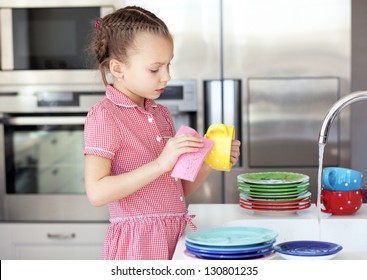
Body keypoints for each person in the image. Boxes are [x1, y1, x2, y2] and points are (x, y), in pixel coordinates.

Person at [83, 6, 241, 260]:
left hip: (175, 238)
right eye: (155, 69)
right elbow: (97, 193)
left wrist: (210, 160)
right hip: (138, 247)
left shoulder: (160, 113)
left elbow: (174, 188)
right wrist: (160, 164)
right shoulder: (105, 116)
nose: (167, 76)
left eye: (168, 65)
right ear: (118, 68)